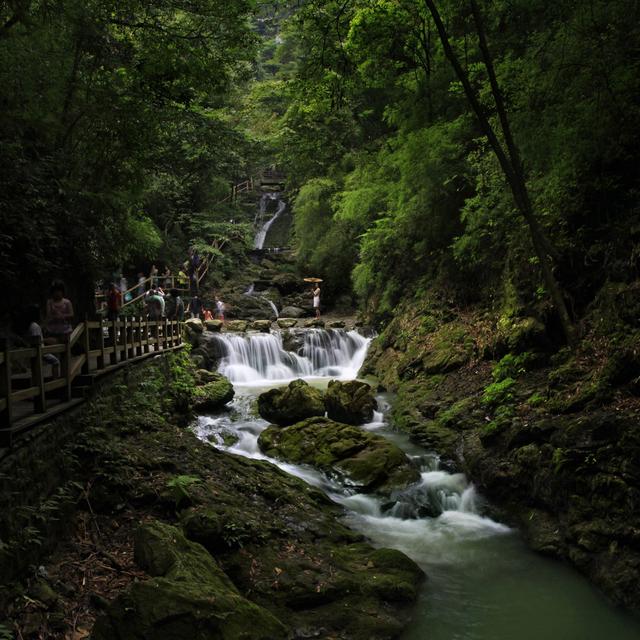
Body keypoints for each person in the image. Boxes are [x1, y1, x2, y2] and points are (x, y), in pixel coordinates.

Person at [24, 304, 60, 377]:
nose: (41, 315)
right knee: (56, 362)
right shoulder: (34, 326)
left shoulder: (30, 325)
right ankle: (56, 380)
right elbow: (35, 340)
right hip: (40, 351)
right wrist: (47, 340)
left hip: (38, 350)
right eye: (39, 313)